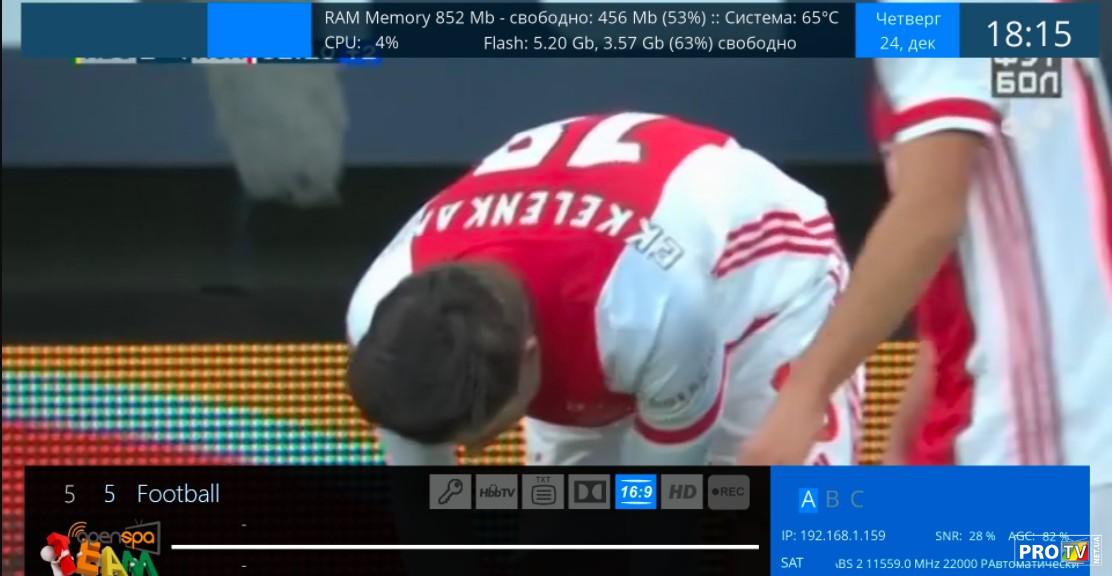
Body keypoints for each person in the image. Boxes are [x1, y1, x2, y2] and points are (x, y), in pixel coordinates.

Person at [740, 10, 1111, 564]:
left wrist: (805, 393)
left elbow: (929, 212)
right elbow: (1018, 234)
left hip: (1038, 453)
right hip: (1070, 438)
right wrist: (908, 424)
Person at [345, 112, 863, 466]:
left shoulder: (645, 313)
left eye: (486, 431)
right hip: (601, 302)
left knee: (787, 532)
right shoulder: (386, 322)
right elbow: (427, 510)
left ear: (530, 356)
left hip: (765, 285)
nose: (477, 454)